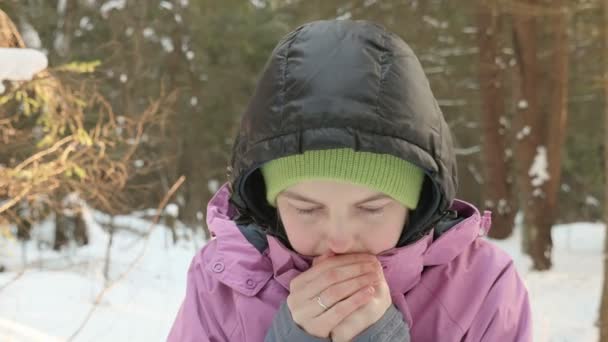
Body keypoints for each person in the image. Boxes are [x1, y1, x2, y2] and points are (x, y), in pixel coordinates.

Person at [167, 19, 532, 342]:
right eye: (307, 208)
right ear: (272, 201)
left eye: (372, 208)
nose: (339, 240)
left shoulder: (482, 287)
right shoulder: (224, 282)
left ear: (416, 203)